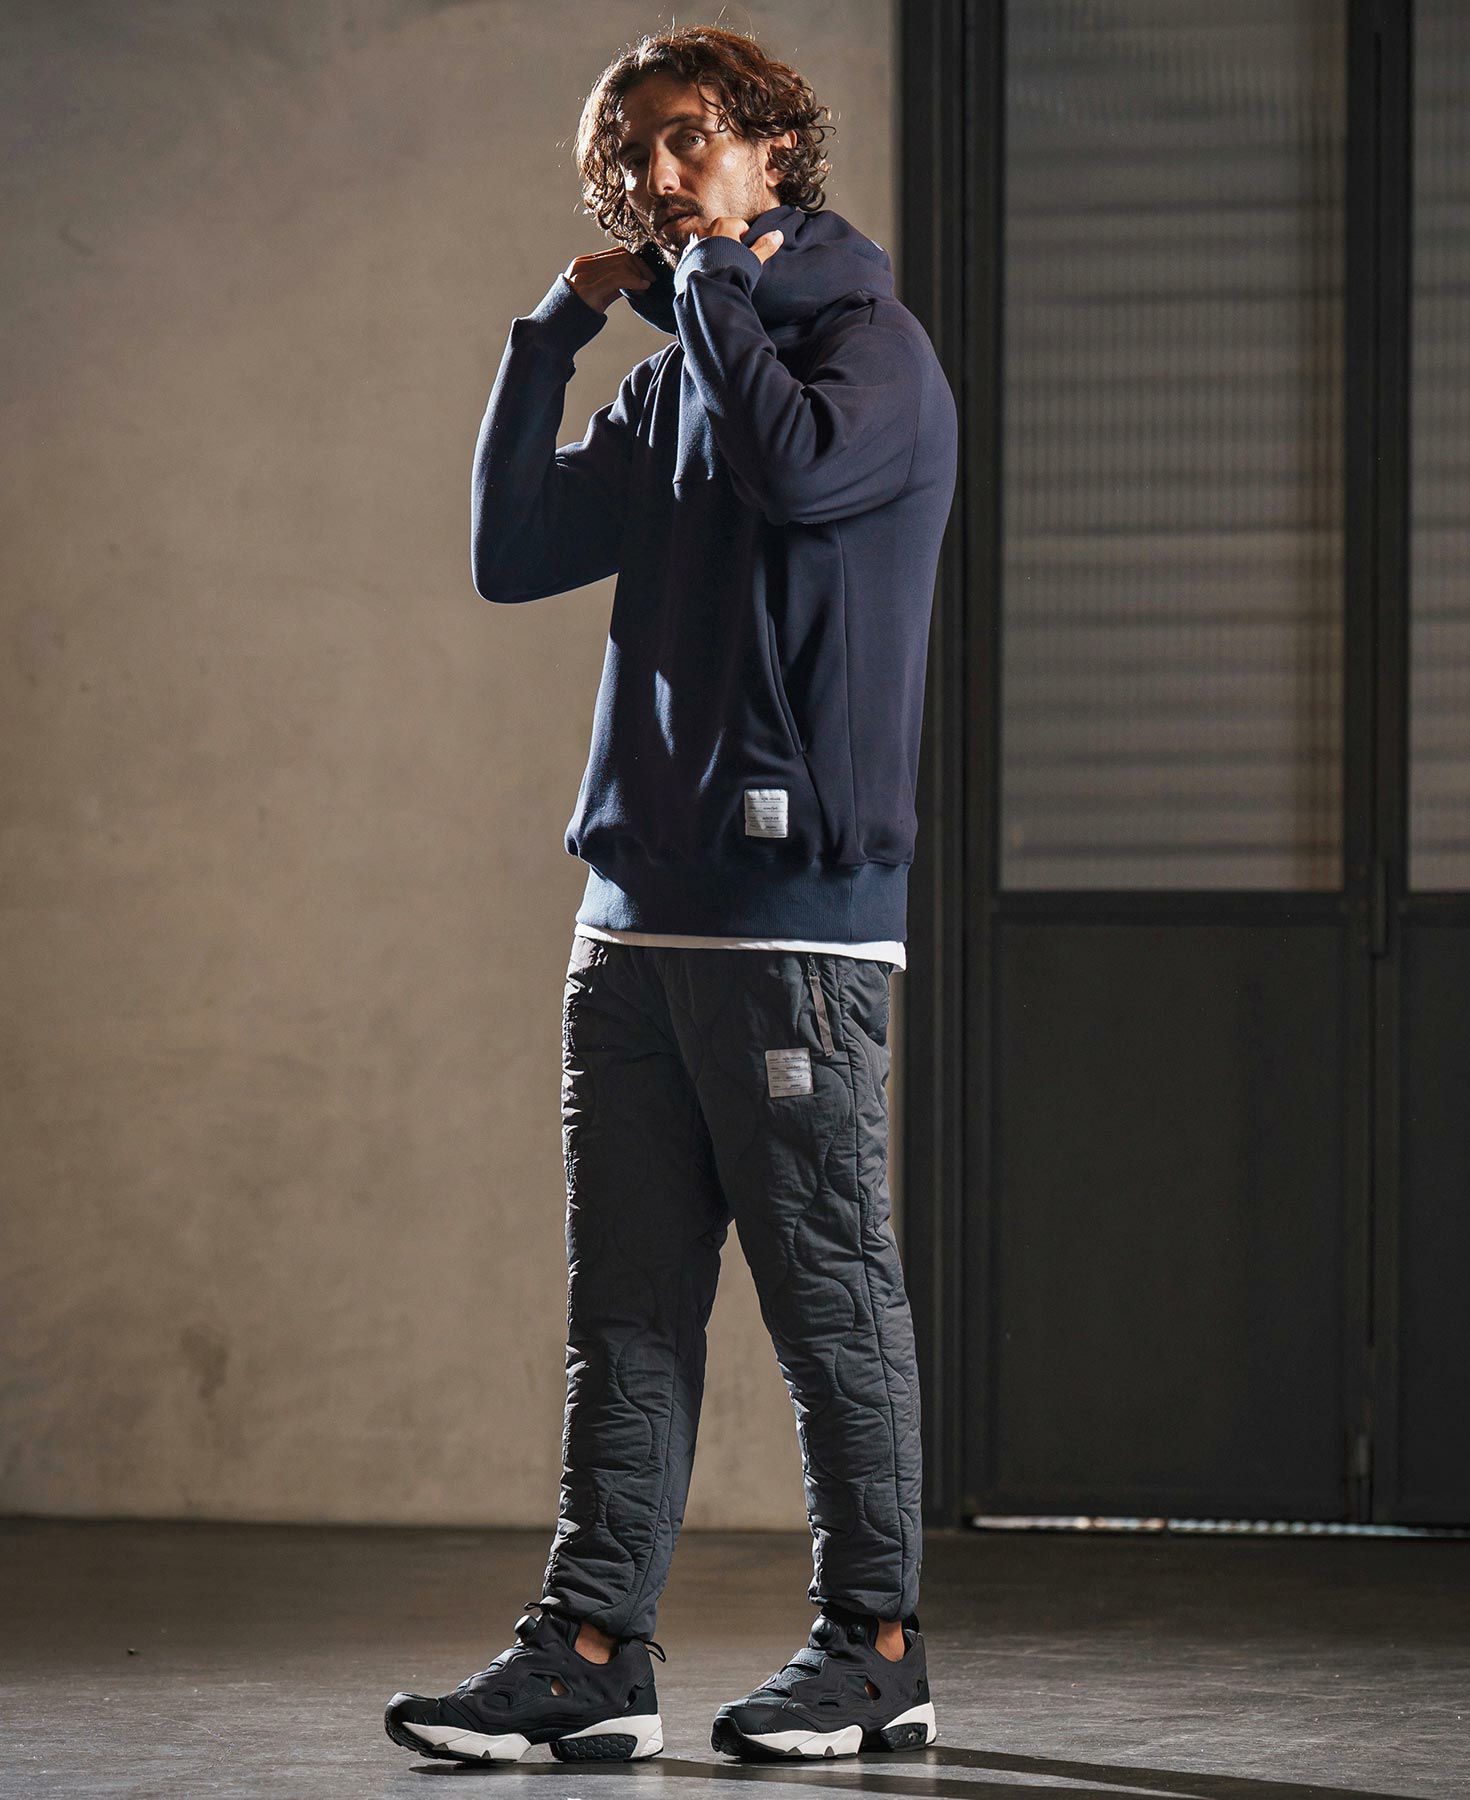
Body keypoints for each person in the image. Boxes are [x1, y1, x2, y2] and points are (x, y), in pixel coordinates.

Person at [385, 22, 957, 1768]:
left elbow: (796, 472)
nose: (658, 170)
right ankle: (591, 1648)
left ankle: (876, 1646)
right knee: (626, 1304)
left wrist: (705, 280)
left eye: (692, 133)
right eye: (635, 149)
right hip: (634, 918)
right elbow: (512, 555)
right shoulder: (672, 378)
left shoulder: (870, 350)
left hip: (794, 925)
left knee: (828, 1294)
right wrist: (546, 343)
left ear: (775, 144)